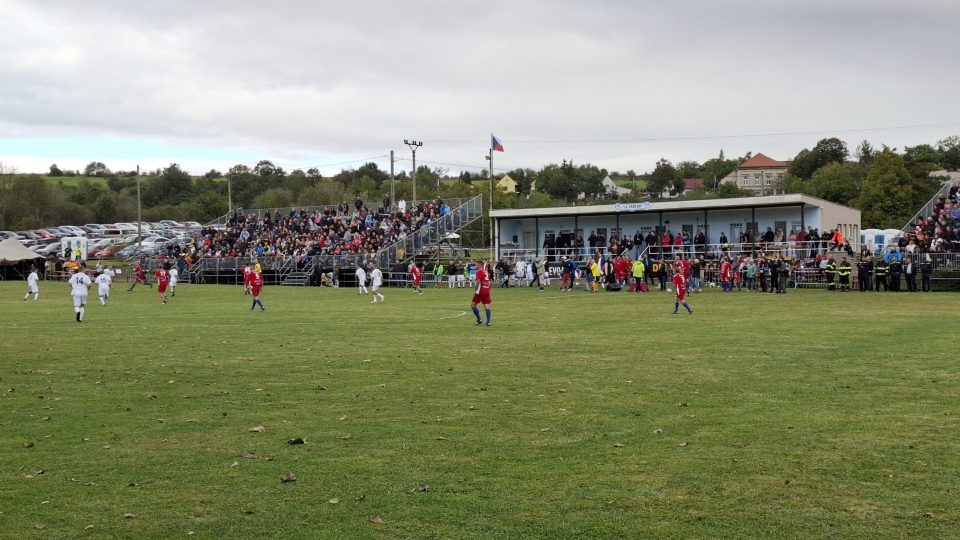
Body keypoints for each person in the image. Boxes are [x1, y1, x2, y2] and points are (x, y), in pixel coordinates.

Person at [471, 260, 492, 326]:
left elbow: (478, 282)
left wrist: (475, 290)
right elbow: (489, 281)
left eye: (476, 265)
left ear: (480, 265)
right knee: (486, 305)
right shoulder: (485, 272)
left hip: (481, 290)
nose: (475, 266)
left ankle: (479, 319)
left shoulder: (478, 271)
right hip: (487, 290)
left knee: (473, 305)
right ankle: (488, 322)